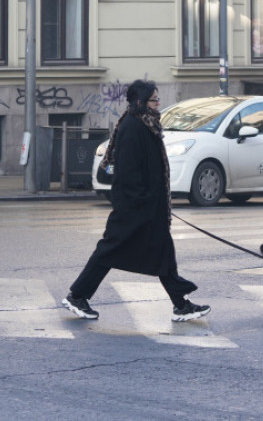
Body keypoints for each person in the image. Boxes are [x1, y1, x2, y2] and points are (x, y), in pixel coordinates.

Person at [62, 79, 211, 322]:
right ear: (141, 102)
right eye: (154, 99)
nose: (158, 103)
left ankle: (180, 304)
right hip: (134, 207)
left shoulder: (146, 124)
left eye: (158, 98)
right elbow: (128, 173)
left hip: (148, 206)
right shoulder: (134, 127)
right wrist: (145, 203)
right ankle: (77, 296)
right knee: (110, 250)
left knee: (162, 252)